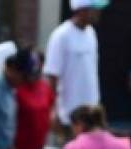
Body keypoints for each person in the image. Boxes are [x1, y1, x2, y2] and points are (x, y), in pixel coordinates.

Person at [44, 0, 105, 141]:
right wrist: (52, 111)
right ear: (81, 9)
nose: (98, 12)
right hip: (70, 118)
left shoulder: (91, 33)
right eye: (94, 8)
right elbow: (52, 76)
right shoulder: (61, 36)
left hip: (92, 114)